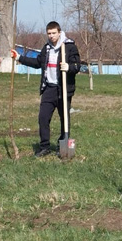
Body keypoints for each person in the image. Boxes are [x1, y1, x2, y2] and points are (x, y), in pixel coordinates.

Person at [12, 21, 80, 157]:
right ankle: (44, 146)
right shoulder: (46, 48)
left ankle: (63, 143)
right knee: (43, 117)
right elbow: (38, 63)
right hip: (49, 88)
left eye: (54, 33)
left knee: (64, 118)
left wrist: (69, 67)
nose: (51, 36)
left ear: (59, 32)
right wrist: (19, 57)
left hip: (64, 89)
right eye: (49, 33)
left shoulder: (69, 46)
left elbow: (77, 65)